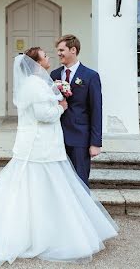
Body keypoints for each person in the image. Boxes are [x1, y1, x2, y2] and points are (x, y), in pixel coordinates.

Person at [0, 48, 118, 265]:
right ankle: (37, 233)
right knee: (37, 186)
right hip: (39, 145)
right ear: (36, 63)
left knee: (35, 187)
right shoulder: (35, 85)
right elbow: (44, 115)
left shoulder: (32, 83)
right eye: (45, 56)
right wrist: (61, 106)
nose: (49, 58)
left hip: (38, 144)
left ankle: (44, 227)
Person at [50, 34, 102, 184]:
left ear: (73, 50)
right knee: (60, 181)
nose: (58, 53)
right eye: (58, 50)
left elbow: (96, 110)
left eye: (61, 50)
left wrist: (95, 143)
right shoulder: (54, 75)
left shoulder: (91, 76)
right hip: (57, 137)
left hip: (80, 138)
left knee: (80, 180)